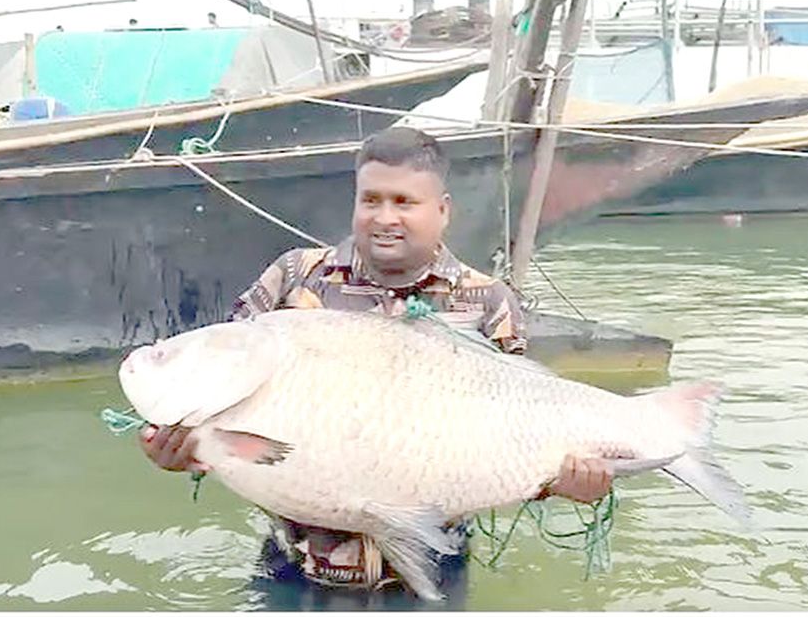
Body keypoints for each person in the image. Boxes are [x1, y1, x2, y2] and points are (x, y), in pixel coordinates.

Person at [137, 127, 613, 605]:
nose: (385, 218)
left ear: (443, 209)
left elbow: (514, 436)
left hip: (430, 568)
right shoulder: (296, 276)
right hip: (294, 567)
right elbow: (222, 383)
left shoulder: (486, 301)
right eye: (371, 200)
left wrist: (559, 480)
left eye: (404, 202)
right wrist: (181, 451)